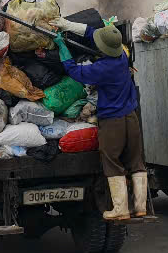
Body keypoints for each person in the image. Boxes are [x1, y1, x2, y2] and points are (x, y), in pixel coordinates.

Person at [52, 19, 147, 220]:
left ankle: (120, 209)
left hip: (112, 121)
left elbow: (74, 71)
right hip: (131, 117)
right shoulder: (122, 54)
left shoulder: (102, 68)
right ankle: (140, 206)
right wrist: (66, 24)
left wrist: (62, 46)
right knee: (136, 160)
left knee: (111, 160)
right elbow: (92, 33)